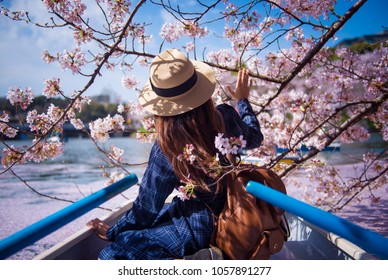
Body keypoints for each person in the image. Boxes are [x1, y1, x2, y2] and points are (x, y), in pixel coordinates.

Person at [88, 49, 263, 259]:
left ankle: (203, 260)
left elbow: (147, 209)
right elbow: (255, 136)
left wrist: (114, 231)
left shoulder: (168, 146)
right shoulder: (225, 117)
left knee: (112, 255)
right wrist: (242, 100)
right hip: (233, 213)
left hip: (197, 226)